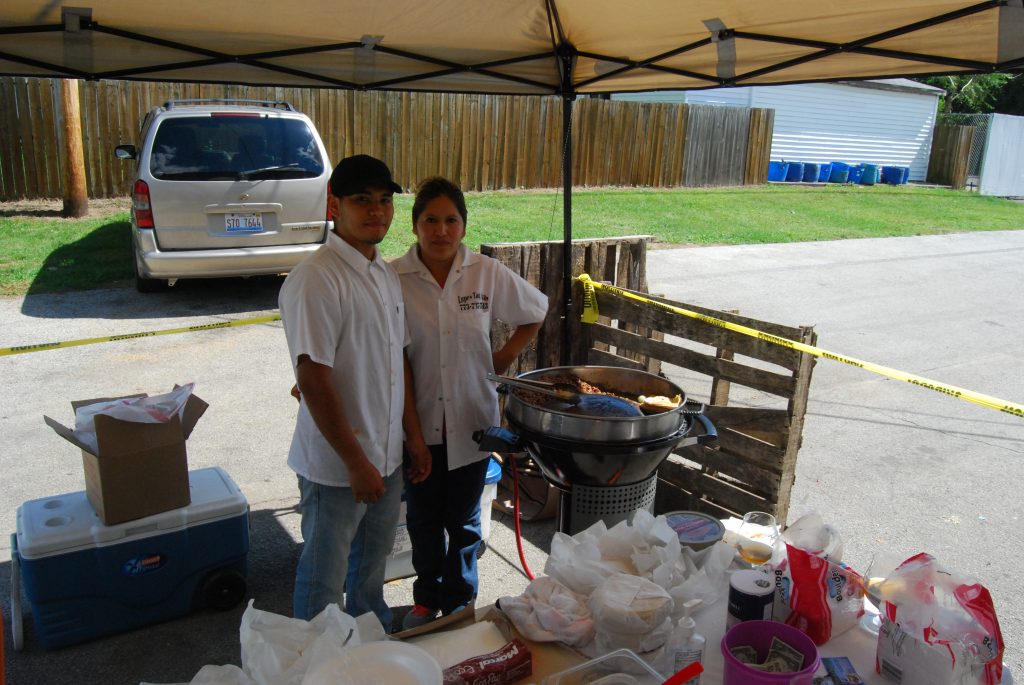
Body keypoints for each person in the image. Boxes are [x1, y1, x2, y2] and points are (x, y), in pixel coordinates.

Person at [278, 154, 430, 627]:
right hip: (338, 468)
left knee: (370, 568)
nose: (376, 211)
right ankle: (316, 662)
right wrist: (355, 463)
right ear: (334, 205)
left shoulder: (382, 271)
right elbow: (313, 380)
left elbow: (396, 360)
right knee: (324, 578)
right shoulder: (317, 278)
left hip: (384, 458)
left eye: (384, 201)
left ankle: (369, 641)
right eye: (362, 200)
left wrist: (414, 438)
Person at [394, 177, 548, 630]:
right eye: (430, 220)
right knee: (423, 519)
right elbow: (394, 355)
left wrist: (502, 357)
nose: (440, 231)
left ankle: (459, 603)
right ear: (415, 224)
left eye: (450, 220)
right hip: (417, 422)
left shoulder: (485, 271)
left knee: (463, 521)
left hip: (472, 418)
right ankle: (425, 600)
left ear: (463, 225)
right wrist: (414, 438)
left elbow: (534, 311)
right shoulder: (394, 277)